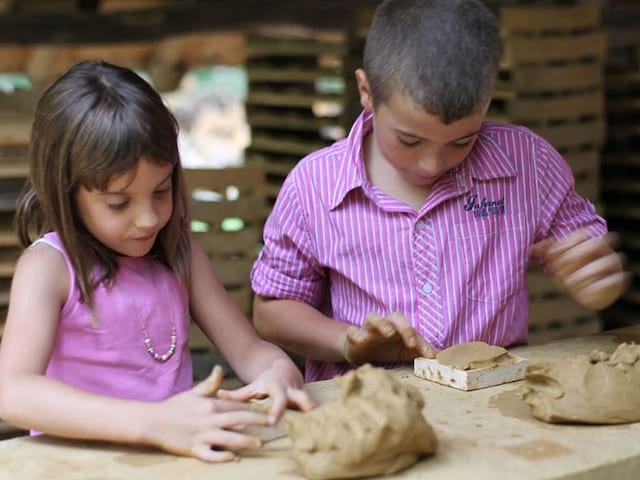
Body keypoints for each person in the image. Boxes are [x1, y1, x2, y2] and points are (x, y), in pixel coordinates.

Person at [250, 0, 629, 382]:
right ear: (366, 91)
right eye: (409, 140)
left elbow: (586, 251)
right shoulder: (314, 186)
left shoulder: (527, 165)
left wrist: (597, 278)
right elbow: (272, 310)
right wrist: (347, 342)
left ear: (488, 100)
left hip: (490, 404)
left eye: (462, 141)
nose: (432, 164)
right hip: (363, 409)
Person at [0, 61, 312, 463]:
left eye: (161, 191)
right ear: (65, 193)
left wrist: (277, 372)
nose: (148, 218)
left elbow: (250, 350)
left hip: (176, 464)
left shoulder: (180, 253)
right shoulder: (50, 268)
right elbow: (12, 391)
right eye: (119, 203)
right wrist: (154, 422)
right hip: (79, 469)